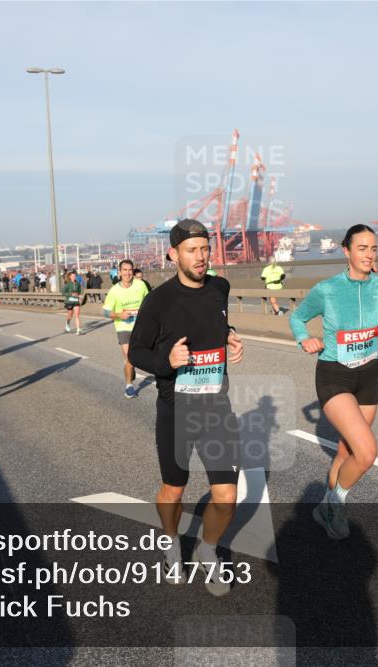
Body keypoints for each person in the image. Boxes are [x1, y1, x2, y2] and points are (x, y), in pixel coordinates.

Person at [128, 219, 244, 596]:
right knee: (173, 490)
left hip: (216, 407)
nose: (201, 256)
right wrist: (168, 359)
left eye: (205, 249)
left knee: (226, 497)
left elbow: (216, 327)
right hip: (176, 410)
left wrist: (230, 341)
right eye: (192, 250)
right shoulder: (158, 301)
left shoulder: (220, 288)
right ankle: (171, 542)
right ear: (173, 254)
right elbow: (136, 352)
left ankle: (208, 550)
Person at [290, 224, 378, 539]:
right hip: (334, 374)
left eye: (373, 248)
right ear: (347, 251)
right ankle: (336, 502)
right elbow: (297, 318)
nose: (370, 255)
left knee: (346, 452)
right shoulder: (327, 289)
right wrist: (305, 339)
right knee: (367, 452)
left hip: (368, 376)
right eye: (362, 248)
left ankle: (324, 509)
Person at [103, 259, 150, 398]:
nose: (127, 273)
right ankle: (129, 386)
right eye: (124, 270)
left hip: (140, 326)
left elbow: (149, 302)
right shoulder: (114, 291)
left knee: (138, 357)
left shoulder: (140, 285)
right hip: (123, 327)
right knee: (130, 357)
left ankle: (130, 365)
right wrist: (119, 315)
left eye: (130, 270)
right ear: (119, 272)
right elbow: (105, 312)